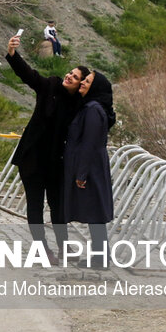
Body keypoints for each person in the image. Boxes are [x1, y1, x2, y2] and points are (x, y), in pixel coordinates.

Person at [5, 34, 89, 264]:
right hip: (32, 157)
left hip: (55, 161)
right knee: (35, 205)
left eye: (75, 77)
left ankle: (63, 247)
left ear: (81, 85)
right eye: (70, 73)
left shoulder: (79, 105)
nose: (69, 77)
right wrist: (13, 54)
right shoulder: (50, 84)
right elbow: (29, 76)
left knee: (57, 207)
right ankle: (42, 250)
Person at [63, 71, 116, 269]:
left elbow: (90, 143)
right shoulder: (91, 107)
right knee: (95, 215)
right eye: (83, 80)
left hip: (91, 168)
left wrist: (81, 174)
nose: (83, 83)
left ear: (95, 87)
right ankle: (99, 257)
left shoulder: (93, 109)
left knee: (95, 216)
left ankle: (101, 259)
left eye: (87, 81)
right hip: (92, 166)